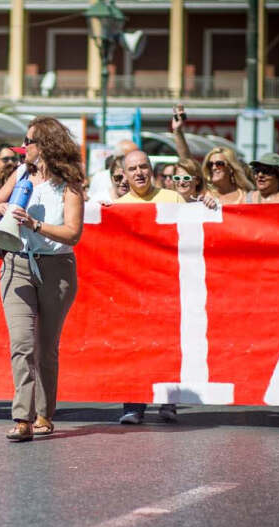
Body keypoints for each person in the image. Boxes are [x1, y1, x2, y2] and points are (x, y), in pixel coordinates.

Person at [0, 117, 85, 441]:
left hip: (56, 269)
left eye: (29, 141)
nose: (23, 147)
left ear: (46, 147)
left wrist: (34, 225)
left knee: (45, 348)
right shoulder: (21, 174)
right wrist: (4, 211)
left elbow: (73, 233)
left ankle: (44, 413)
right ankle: (22, 417)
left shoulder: (69, 185)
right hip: (17, 263)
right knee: (22, 344)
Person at [113, 149, 186, 425]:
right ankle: (133, 406)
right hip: (133, 289)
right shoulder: (118, 206)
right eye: (133, 169)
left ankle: (169, 403)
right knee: (134, 347)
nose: (139, 173)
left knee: (168, 345)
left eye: (143, 167)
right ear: (125, 175)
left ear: (151, 170)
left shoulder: (174, 198)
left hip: (167, 284)